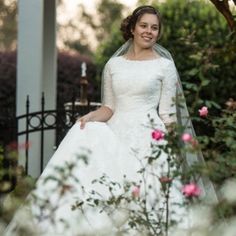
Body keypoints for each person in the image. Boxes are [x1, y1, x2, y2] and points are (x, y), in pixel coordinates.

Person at [5, 5, 198, 236]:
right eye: (144, 25)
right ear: (133, 29)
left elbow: (167, 114)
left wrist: (173, 147)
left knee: (147, 198)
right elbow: (109, 108)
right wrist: (89, 117)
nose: (149, 31)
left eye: (154, 28)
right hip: (115, 137)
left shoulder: (164, 66)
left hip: (149, 139)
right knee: (108, 192)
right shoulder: (113, 65)